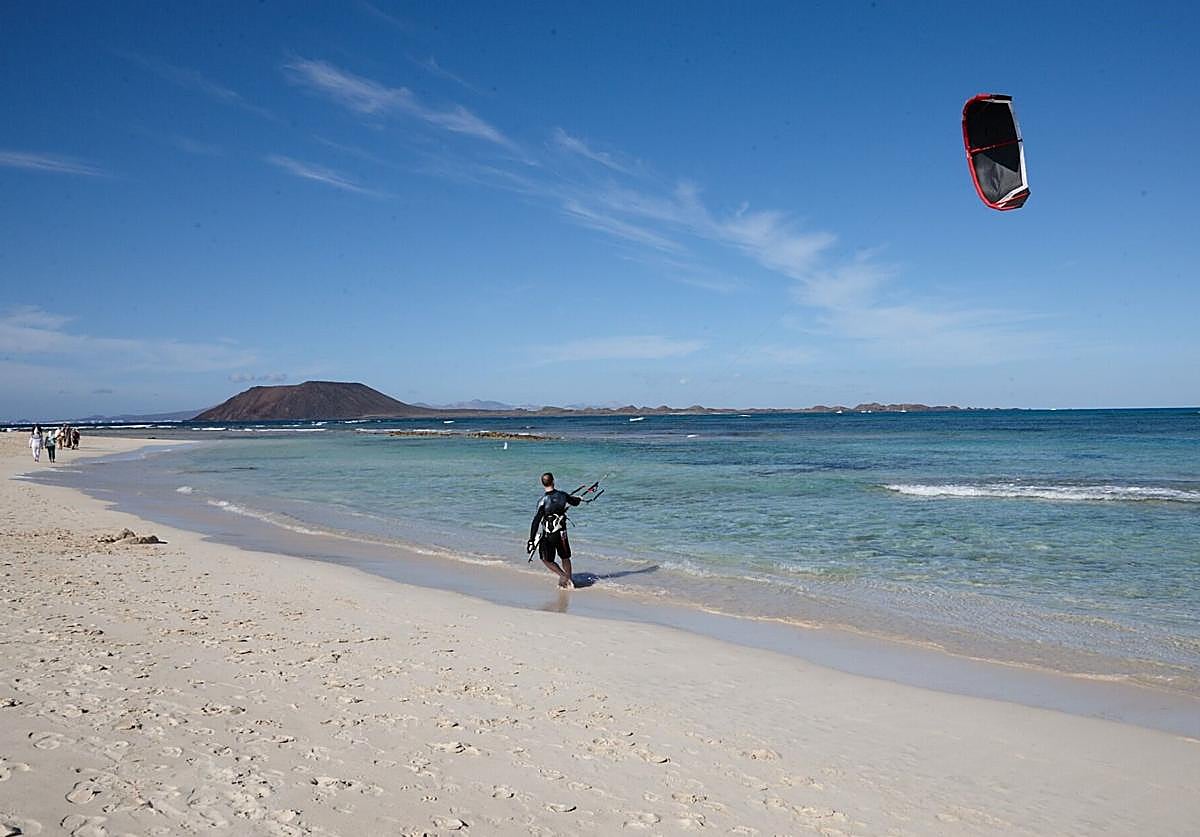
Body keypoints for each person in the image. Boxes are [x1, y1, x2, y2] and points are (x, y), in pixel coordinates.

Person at [527, 472, 581, 589]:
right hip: (562, 533)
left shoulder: (542, 501)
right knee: (565, 557)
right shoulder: (563, 495)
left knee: (546, 559)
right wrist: (579, 499)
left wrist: (531, 540)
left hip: (549, 535)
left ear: (543, 484)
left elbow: (536, 521)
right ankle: (569, 579)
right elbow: (574, 502)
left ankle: (563, 576)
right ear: (553, 481)